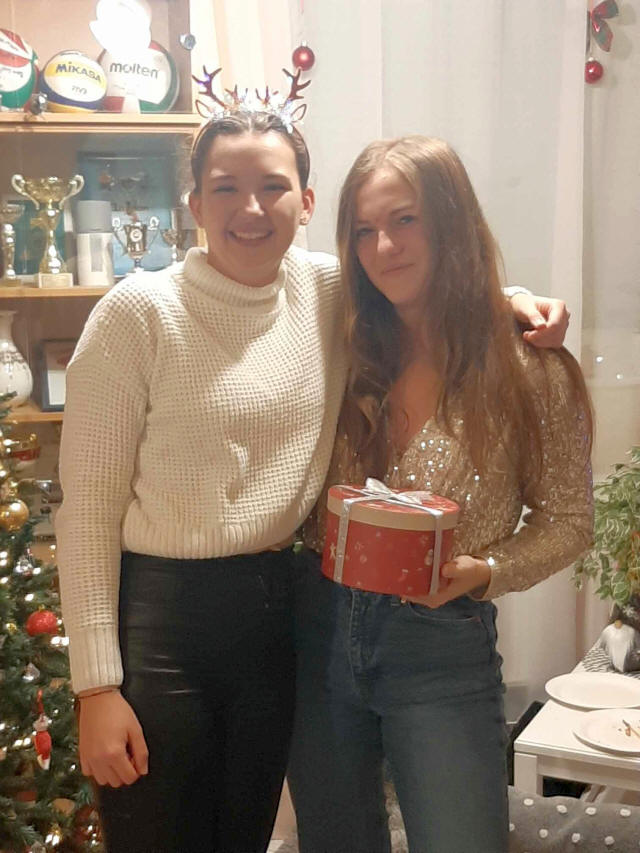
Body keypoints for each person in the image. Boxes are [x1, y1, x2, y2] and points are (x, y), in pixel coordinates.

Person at [56, 100, 570, 852]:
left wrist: (513, 303)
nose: (250, 208)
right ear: (194, 204)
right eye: (226, 188)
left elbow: (428, 285)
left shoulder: (327, 293)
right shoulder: (137, 313)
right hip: (163, 629)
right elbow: (86, 514)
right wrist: (96, 686)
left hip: (278, 624)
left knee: (246, 835)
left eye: (271, 186)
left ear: (304, 201)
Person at [288, 136, 593, 853]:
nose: (383, 247)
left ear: (451, 220)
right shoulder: (336, 339)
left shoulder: (529, 366)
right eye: (364, 229)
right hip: (317, 629)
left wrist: (485, 572)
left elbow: (569, 520)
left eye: (406, 220)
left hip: (441, 644)